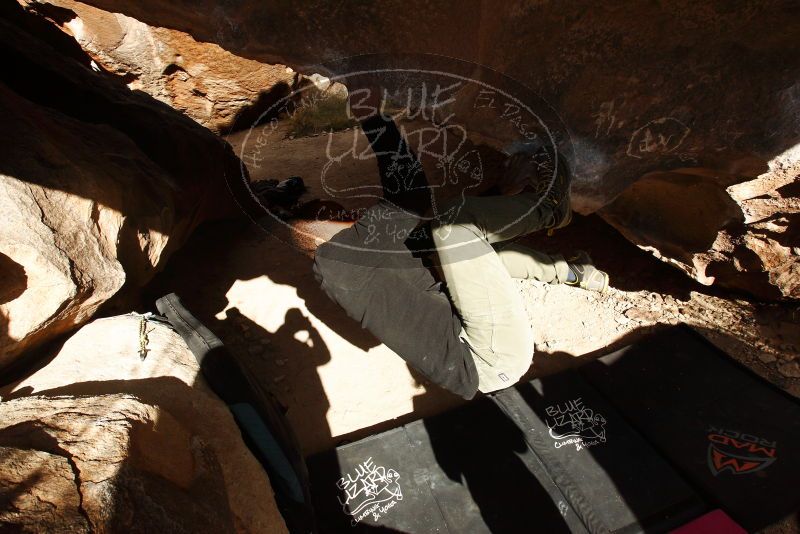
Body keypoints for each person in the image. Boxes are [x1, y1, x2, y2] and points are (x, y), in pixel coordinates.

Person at [308, 86, 609, 399]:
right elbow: (409, 192)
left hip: (483, 357)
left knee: (469, 252)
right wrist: (373, 116)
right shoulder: (344, 258)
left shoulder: (359, 265)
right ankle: (550, 208)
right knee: (452, 222)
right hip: (487, 355)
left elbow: (437, 244)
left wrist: (500, 194)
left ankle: (577, 272)